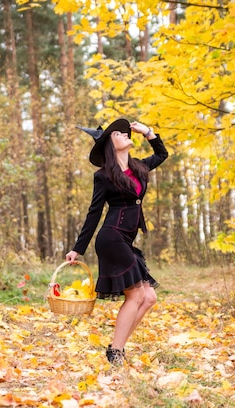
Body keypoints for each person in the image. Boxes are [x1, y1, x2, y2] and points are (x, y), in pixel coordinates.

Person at [65, 118, 169, 366]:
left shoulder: (139, 168)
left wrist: (148, 132)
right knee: (135, 296)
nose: (124, 134)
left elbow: (162, 153)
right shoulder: (103, 177)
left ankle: (116, 347)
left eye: (125, 132)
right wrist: (77, 248)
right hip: (111, 237)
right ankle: (116, 353)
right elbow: (94, 212)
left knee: (149, 298)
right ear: (109, 145)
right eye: (117, 134)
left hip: (126, 238)